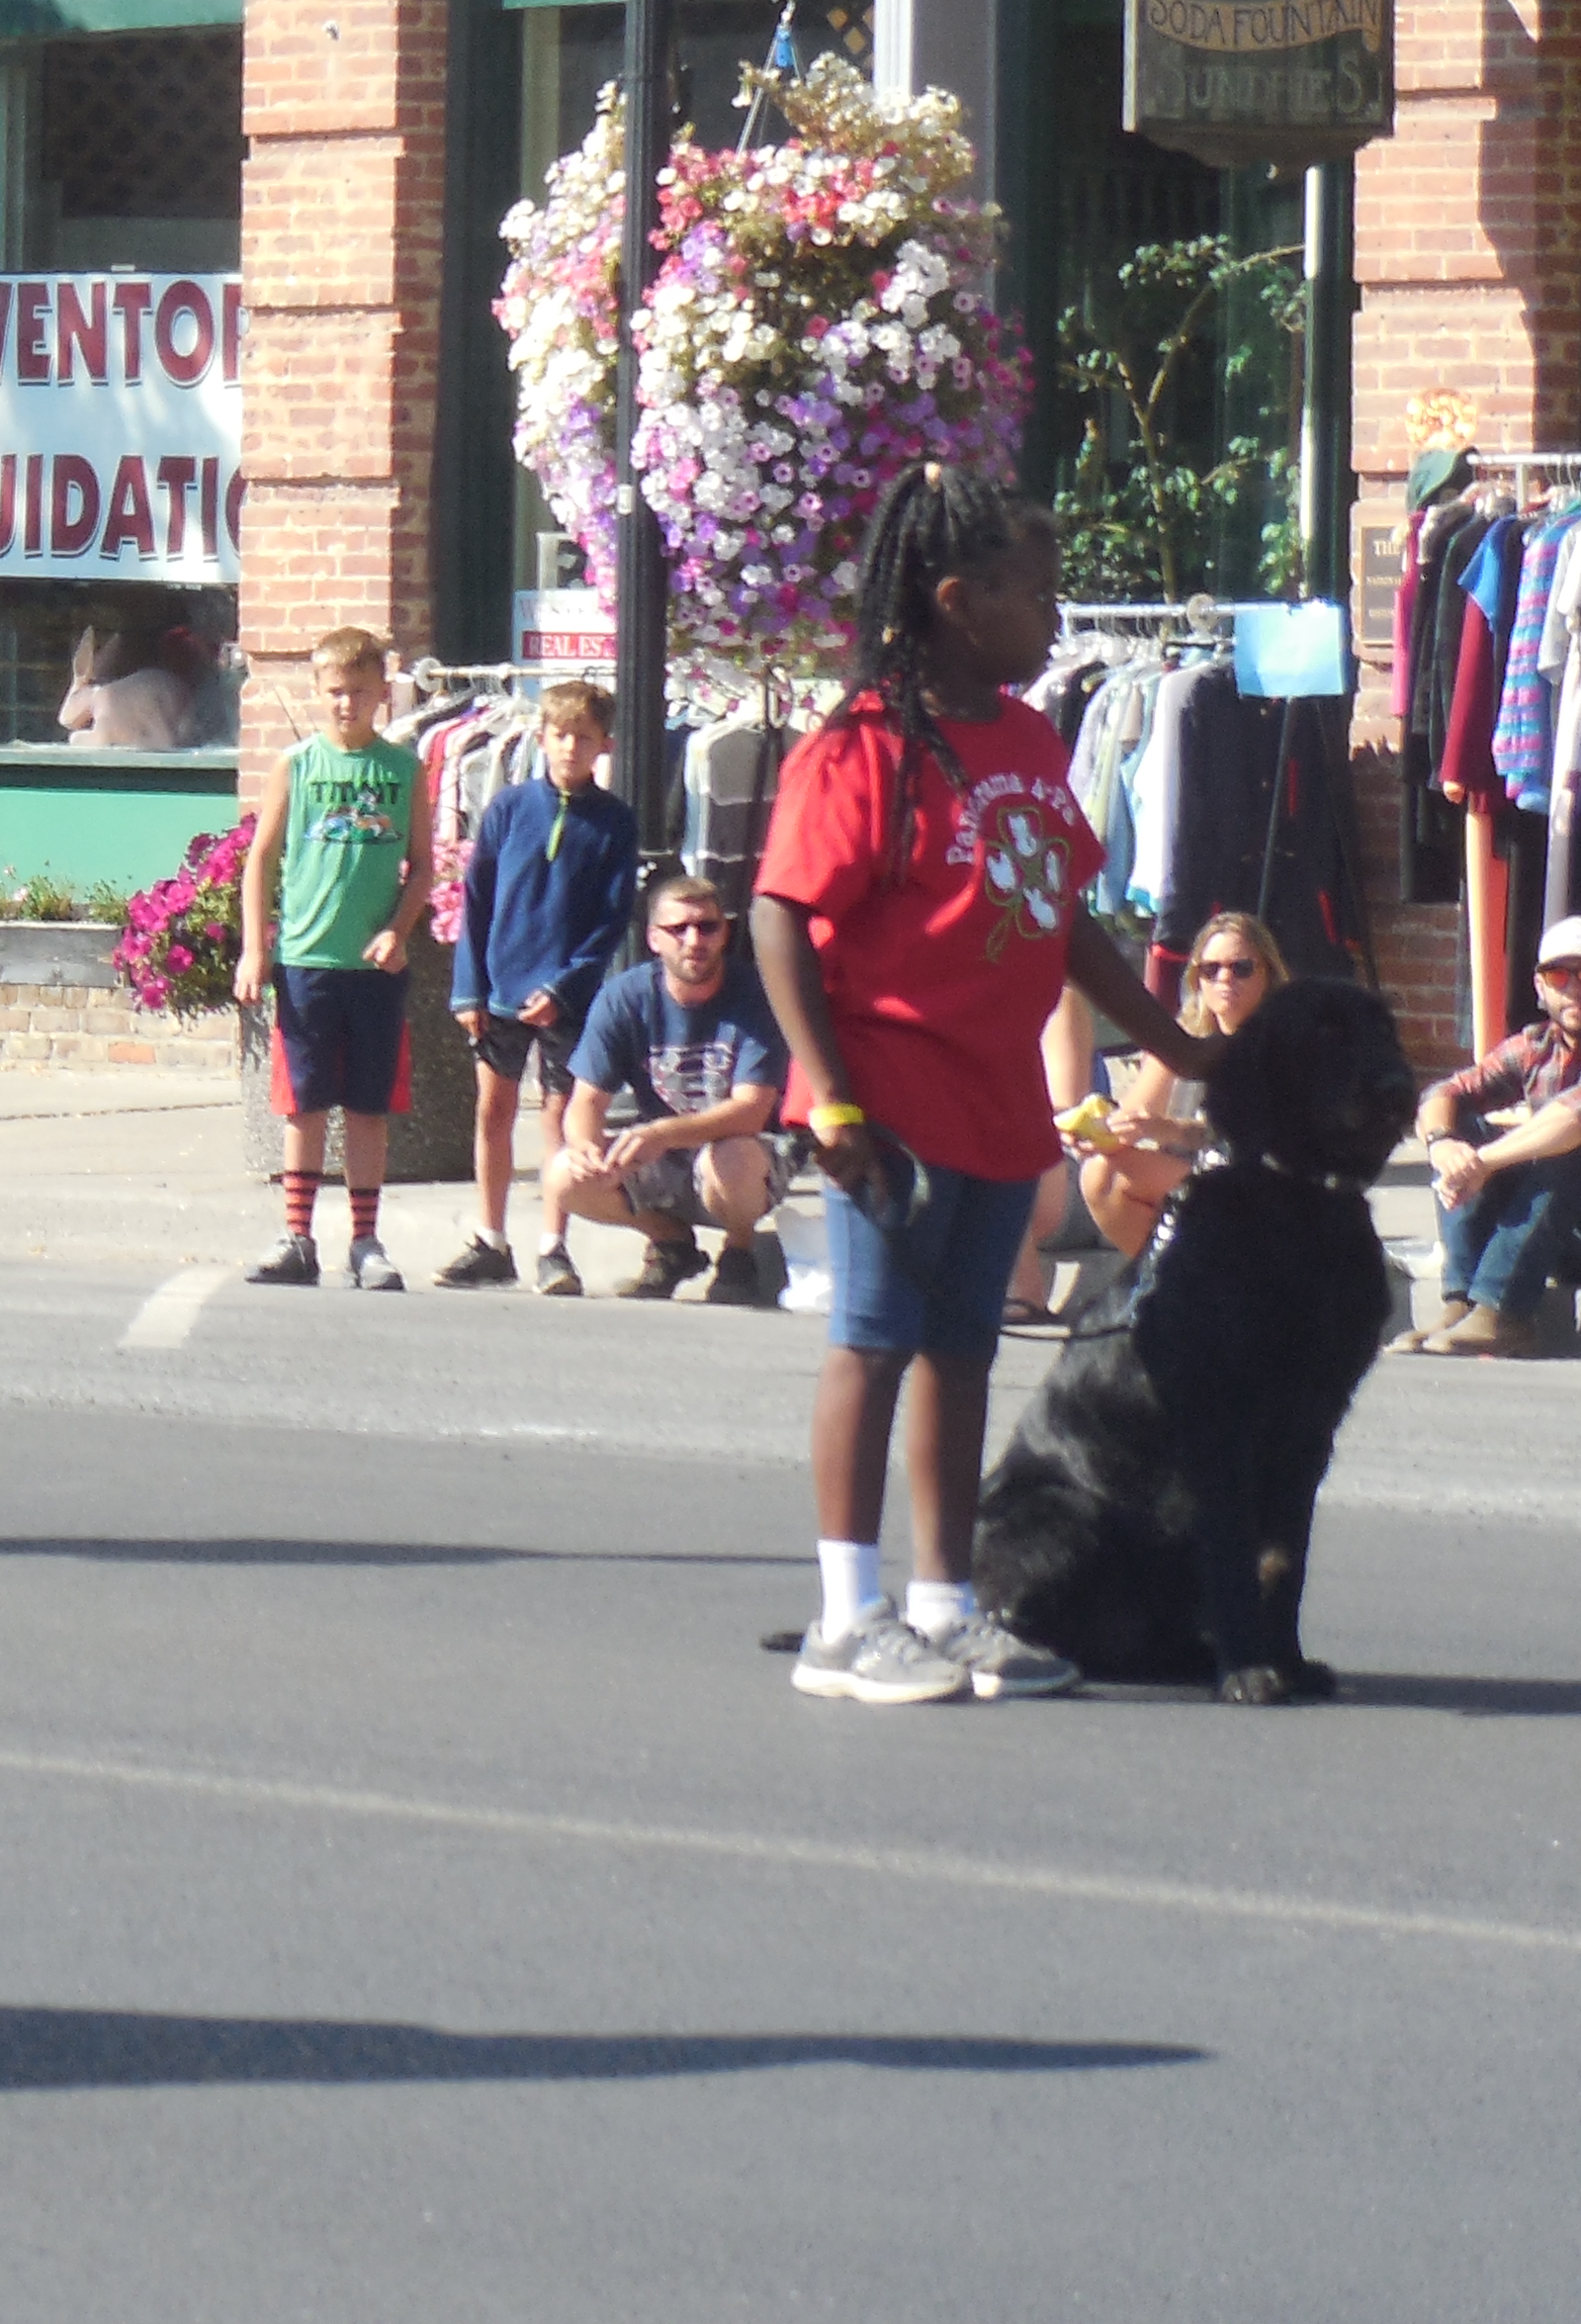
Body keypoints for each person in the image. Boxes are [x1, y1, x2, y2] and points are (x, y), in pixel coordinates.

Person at [750, 462, 1202, 1708]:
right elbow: (781, 917)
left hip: (998, 1100)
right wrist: (831, 1101)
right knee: (874, 1344)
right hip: (887, 1102)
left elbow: (1064, 915)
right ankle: (849, 1619)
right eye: (1035, 596)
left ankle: (947, 1605)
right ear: (957, 599)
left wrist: (1179, 1036)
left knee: (962, 1352)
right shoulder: (862, 748)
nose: (1053, 619)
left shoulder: (1030, 737)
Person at [233, 626, 430, 1291]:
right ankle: (297, 1235)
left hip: (372, 967)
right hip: (306, 958)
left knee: (368, 1106)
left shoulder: (403, 769)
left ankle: (366, 1239)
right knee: (307, 1103)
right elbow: (261, 856)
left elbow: (424, 866)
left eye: (360, 692)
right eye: (335, 691)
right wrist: (255, 948)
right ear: (319, 691)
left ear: (382, 693)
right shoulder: (297, 764)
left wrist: (398, 930)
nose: (347, 703)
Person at [434, 680, 639, 1290]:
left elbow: (610, 920)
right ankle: (490, 1239)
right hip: (500, 989)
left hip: (564, 1000)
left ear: (604, 744)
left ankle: (554, 1244)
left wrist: (567, 988)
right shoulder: (509, 808)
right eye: (558, 735)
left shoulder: (614, 823)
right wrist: (468, 988)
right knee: (493, 1112)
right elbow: (476, 902)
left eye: (582, 737)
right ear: (542, 738)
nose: (568, 747)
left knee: (558, 1118)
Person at [543, 874, 790, 1304]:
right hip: (666, 1157)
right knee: (564, 1173)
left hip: (750, 1154)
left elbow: (751, 1110)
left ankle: (739, 1251)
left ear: (724, 932)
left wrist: (660, 1134)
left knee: (731, 1155)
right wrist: (584, 1145)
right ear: (654, 939)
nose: (694, 941)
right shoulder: (625, 997)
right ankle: (670, 1243)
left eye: (707, 927)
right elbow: (586, 1099)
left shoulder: (756, 994)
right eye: (678, 930)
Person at [1399, 914, 1581, 1357]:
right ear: (1541, 988)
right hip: (1559, 1228)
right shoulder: (1535, 1046)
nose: (1574, 987)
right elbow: (1444, 1091)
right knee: (1462, 1128)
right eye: (1560, 975)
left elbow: (1572, 1118)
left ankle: (1503, 1312)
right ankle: (1462, 1303)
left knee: (1562, 1150)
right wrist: (1445, 1145)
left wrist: (1483, 1163)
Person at [1060, 913, 1285, 1261]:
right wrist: (1094, 1131)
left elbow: (1259, 1140)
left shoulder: (1283, 1043)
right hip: (1192, 1180)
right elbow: (1131, 1116)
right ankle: (1171, 1285)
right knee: (1101, 1173)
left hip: (1261, 1186)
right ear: (1197, 979)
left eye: (1241, 968)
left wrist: (1171, 1130)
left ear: (1267, 975)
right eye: (1211, 970)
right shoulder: (1183, 1040)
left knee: (1108, 1178)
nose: (1225, 979)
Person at [61, 619, 220, 752]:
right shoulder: (114, 695)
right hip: (181, 715)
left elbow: (72, 721)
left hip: (170, 716)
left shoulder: (106, 699)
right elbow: (68, 720)